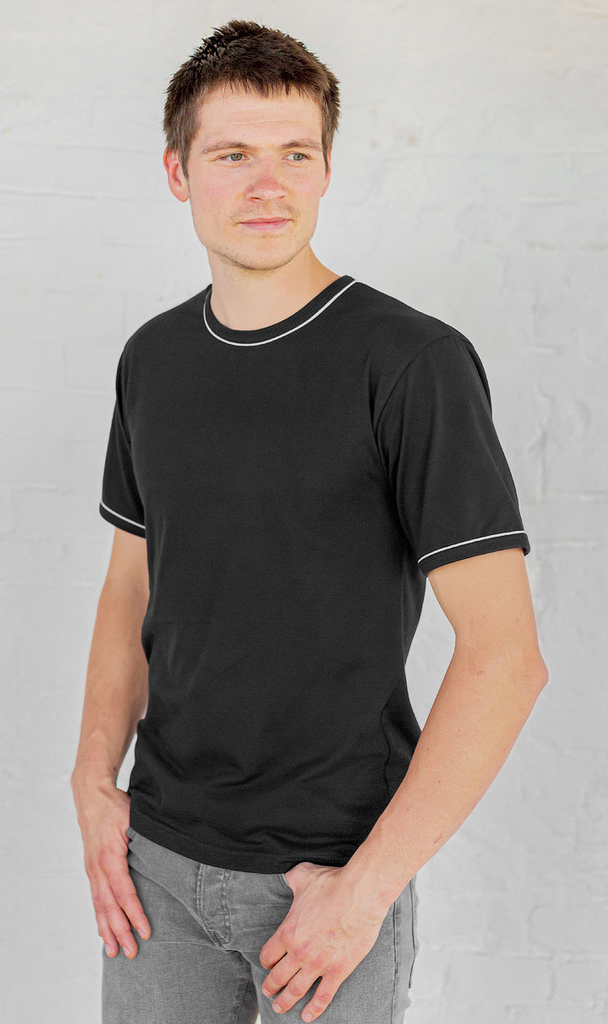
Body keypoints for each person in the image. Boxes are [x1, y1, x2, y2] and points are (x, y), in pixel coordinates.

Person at [71, 18, 549, 1024]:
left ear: (327, 169)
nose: (268, 185)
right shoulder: (153, 358)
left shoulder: (410, 363)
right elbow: (131, 584)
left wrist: (364, 891)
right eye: (232, 155)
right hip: (154, 870)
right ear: (177, 172)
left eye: (296, 154)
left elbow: (506, 658)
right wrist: (91, 779)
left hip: (325, 882)